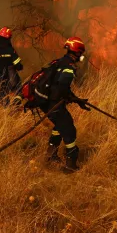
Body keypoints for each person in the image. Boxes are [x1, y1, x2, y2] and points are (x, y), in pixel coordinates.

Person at [34, 36, 90, 172]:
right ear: (77, 52)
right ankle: (70, 165)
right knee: (70, 130)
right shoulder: (69, 67)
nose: (81, 56)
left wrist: (77, 100)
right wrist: (72, 98)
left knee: (59, 125)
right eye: (80, 53)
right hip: (53, 104)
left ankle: (50, 156)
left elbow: (61, 87)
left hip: (46, 101)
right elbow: (63, 88)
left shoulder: (60, 61)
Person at [0, 26, 24, 107]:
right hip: (12, 78)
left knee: (4, 94)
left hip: (1, 78)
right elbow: (18, 65)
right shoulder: (10, 50)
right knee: (20, 91)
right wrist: (20, 67)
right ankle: (15, 106)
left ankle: (6, 110)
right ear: (8, 39)